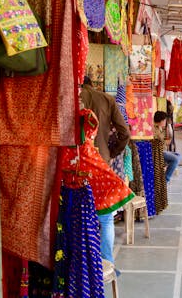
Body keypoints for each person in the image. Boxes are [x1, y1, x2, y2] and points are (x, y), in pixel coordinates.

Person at [80, 76, 131, 265]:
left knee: (78, 215)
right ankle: (106, 263)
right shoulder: (107, 99)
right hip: (101, 160)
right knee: (106, 218)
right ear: (93, 84)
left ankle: (84, 268)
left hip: (75, 163)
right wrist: (112, 151)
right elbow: (124, 133)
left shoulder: (72, 96)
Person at [154, 111, 181, 183]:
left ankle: (165, 170)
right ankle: (165, 180)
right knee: (175, 159)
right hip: (159, 152)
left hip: (163, 150)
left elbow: (166, 140)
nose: (165, 122)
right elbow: (160, 142)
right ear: (161, 120)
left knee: (178, 155)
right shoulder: (154, 130)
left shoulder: (161, 128)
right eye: (164, 120)